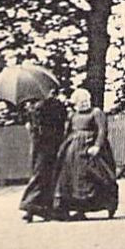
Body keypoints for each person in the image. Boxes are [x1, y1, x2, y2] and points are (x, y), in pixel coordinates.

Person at [52, 87, 119, 219]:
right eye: (81, 102)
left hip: (90, 150)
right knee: (72, 179)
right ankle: (77, 209)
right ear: (75, 103)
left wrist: (97, 146)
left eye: (86, 100)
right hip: (73, 152)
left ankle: (108, 204)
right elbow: (67, 132)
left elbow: (102, 131)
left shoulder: (96, 113)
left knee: (97, 176)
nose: (84, 103)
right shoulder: (72, 115)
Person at [19, 90, 68, 222]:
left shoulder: (37, 106)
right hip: (45, 144)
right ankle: (30, 206)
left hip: (45, 143)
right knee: (41, 174)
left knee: (46, 175)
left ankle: (43, 208)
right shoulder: (44, 106)